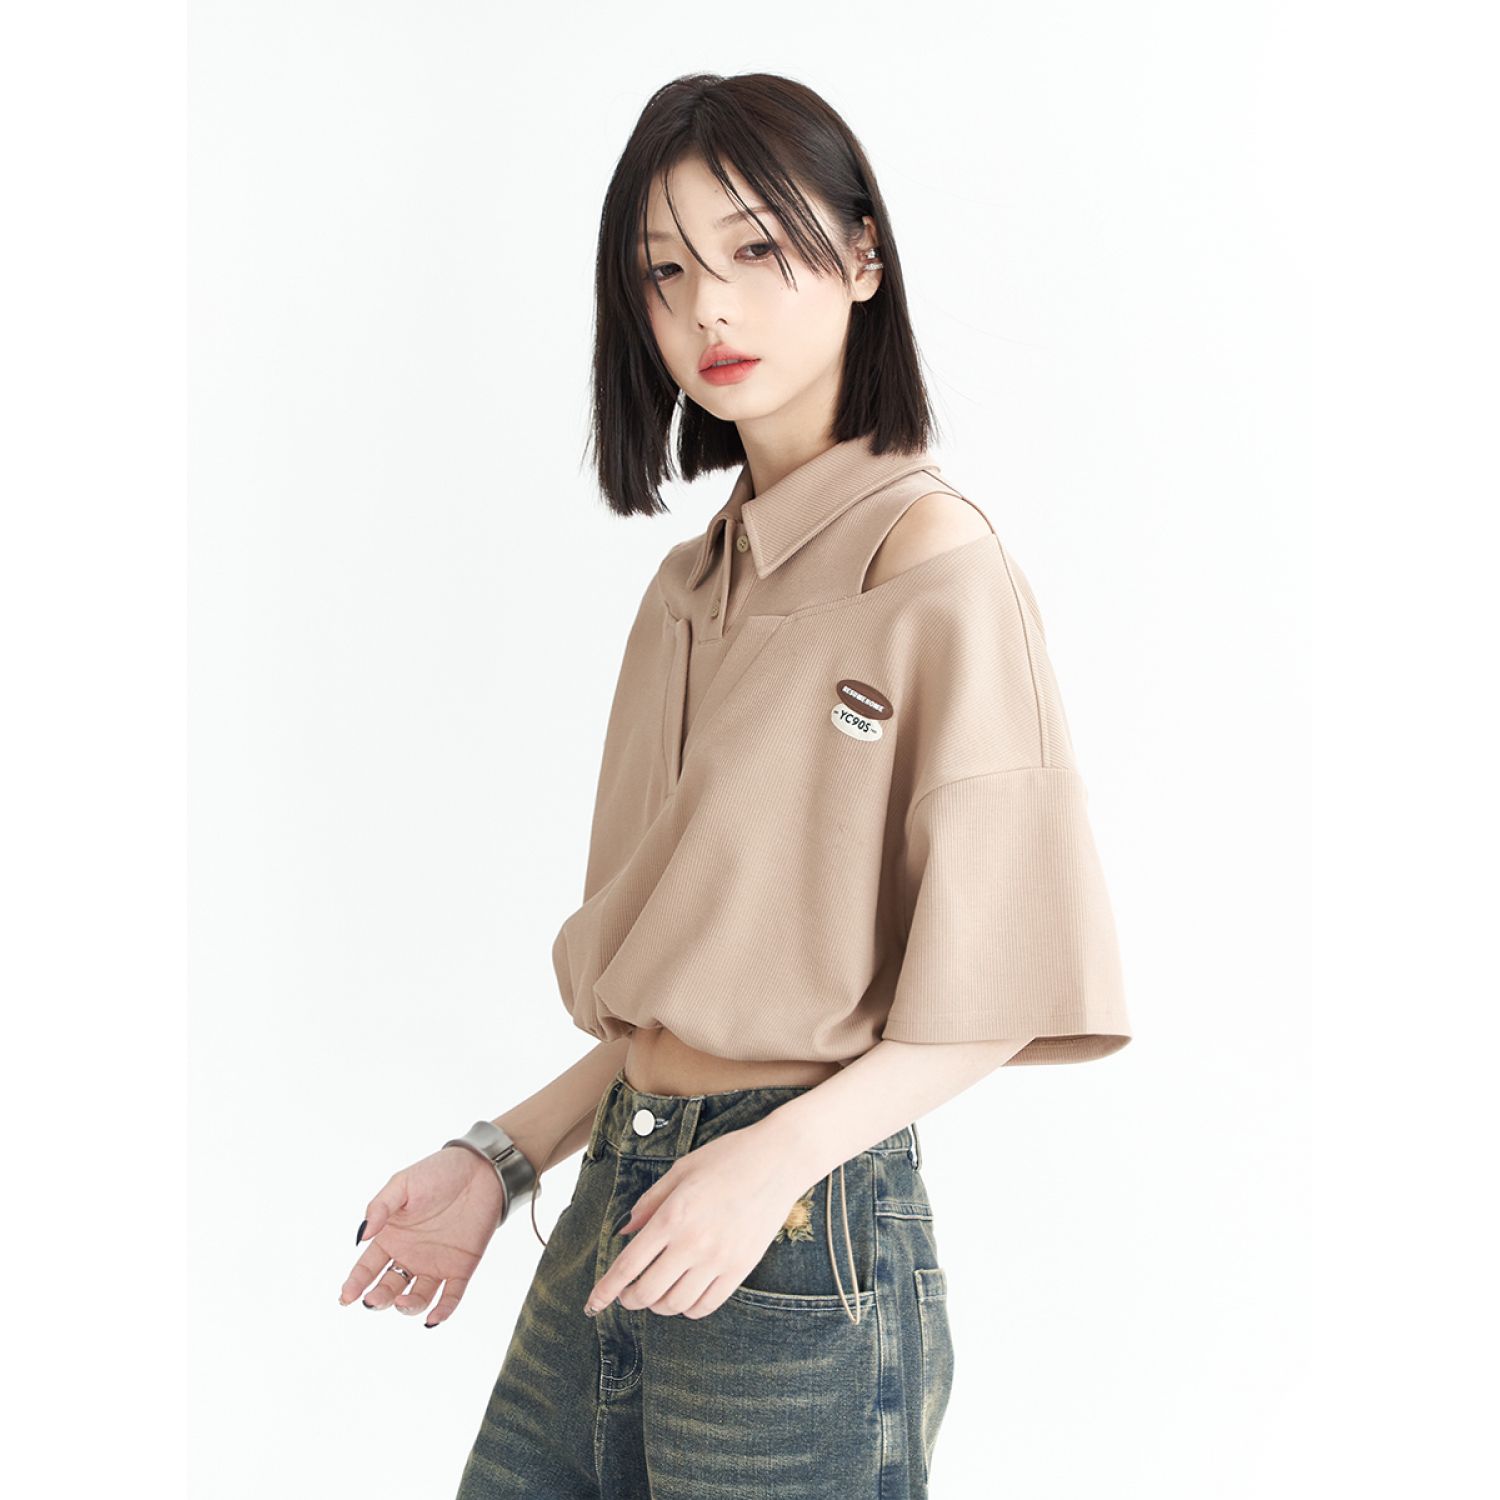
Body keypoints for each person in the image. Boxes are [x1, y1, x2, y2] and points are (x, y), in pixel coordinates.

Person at [337, 71, 1132, 1498]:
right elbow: (698, 991)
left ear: (865, 255)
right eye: (665, 270)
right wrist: (500, 1161)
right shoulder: (688, 589)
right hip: (620, 1191)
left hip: (799, 1229)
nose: (709, 306)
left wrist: (772, 1163)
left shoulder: (933, 567)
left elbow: (997, 991)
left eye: (758, 248)